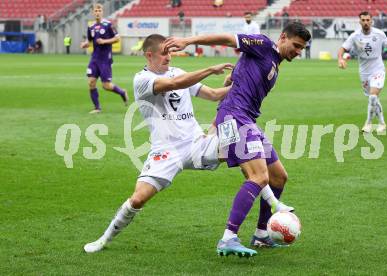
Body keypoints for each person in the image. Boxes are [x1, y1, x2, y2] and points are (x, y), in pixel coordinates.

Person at [83, 34, 292, 253]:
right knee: (138, 199)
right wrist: (210, 70)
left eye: (170, 52)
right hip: (166, 152)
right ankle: (104, 239)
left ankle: (271, 208)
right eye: (164, 53)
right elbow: (174, 84)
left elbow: (212, 94)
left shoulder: (179, 72)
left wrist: (241, 84)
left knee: (243, 147)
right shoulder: (142, 80)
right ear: (149, 55)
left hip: (197, 144)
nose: (169, 57)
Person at [163, 22, 311, 257]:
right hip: (235, 117)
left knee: (278, 177)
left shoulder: (274, 63)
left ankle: (261, 234)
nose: (298, 51)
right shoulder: (262, 44)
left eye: (301, 48)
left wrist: (232, 80)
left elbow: (239, 78)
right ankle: (228, 237)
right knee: (258, 176)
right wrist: (189, 42)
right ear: (283, 37)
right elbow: (228, 39)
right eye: (295, 45)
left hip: (246, 119)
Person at [338, 11, 387, 133]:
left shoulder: (379, 34)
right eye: (363, 20)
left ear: (372, 21)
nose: (366, 22)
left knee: (373, 96)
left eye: (368, 20)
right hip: (364, 71)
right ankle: (382, 123)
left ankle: (368, 123)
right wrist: (340, 59)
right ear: (360, 21)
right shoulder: (355, 36)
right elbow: (343, 48)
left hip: (378, 69)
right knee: (373, 98)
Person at [80, 4, 128, 114]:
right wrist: (85, 44)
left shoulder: (108, 25)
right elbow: (89, 41)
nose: (97, 12)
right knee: (91, 82)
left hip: (105, 59)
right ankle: (97, 108)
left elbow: (117, 38)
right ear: (93, 13)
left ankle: (122, 92)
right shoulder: (91, 27)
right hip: (94, 58)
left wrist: (105, 41)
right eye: (95, 10)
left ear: (102, 12)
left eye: (99, 10)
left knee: (106, 86)